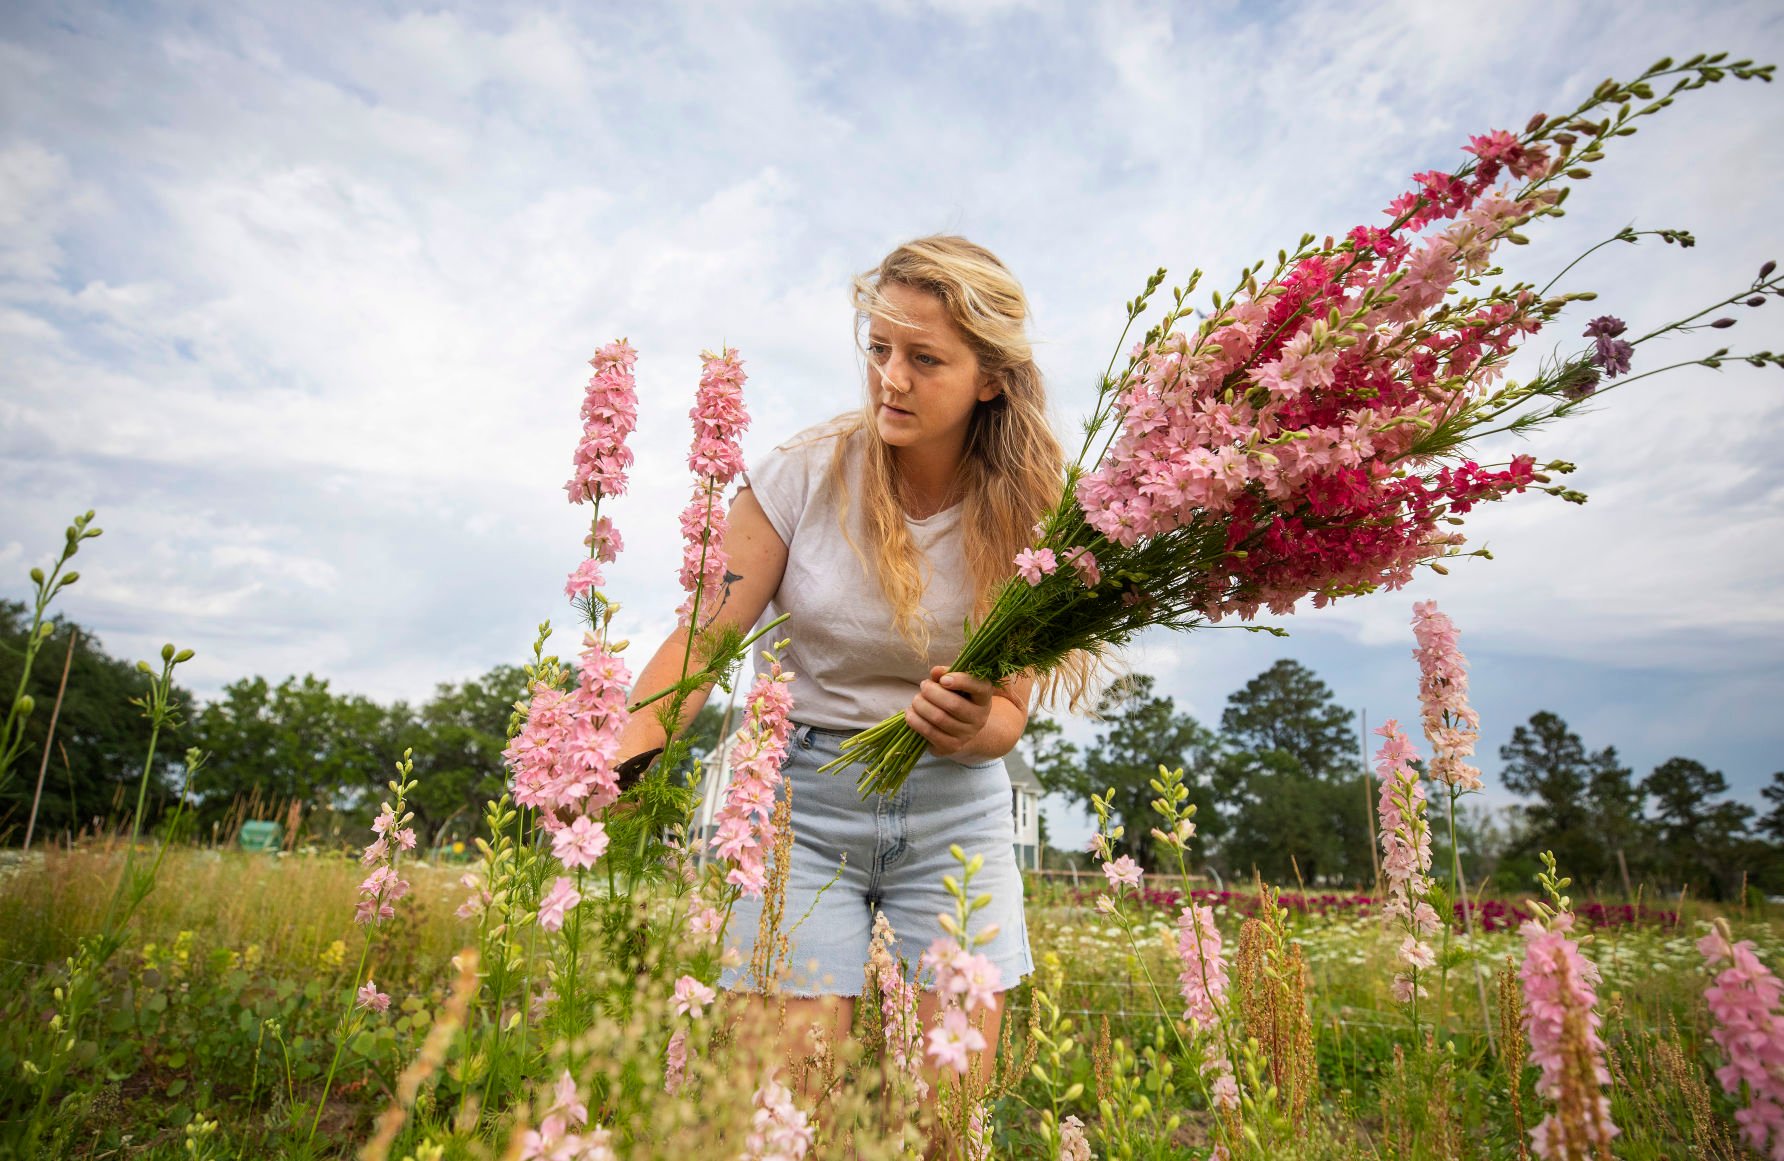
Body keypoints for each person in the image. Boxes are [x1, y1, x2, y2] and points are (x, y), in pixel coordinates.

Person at [615, 234, 1076, 1090]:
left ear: (991, 376)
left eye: (924, 357)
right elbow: (704, 637)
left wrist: (976, 726)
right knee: (787, 1107)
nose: (889, 378)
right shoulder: (799, 473)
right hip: (800, 808)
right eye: (878, 348)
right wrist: (616, 761)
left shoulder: (1028, 513)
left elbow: (1008, 714)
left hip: (955, 812)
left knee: (947, 1117)